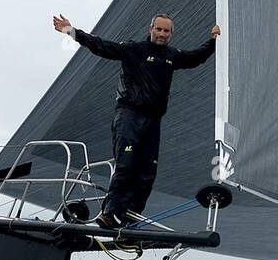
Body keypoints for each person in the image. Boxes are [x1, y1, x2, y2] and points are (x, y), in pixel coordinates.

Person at [52, 12, 220, 229]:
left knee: (148, 170)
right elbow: (101, 46)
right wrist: (71, 31)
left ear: (171, 34)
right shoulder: (134, 50)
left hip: (153, 119)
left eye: (166, 31)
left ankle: (130, 215)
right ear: (151, 29)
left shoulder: (172, 55)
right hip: (129, 114)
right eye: (158, 29)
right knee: (127, 165)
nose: (161, 34)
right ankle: (109, 213)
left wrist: (214, 41)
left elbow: (196, 57)